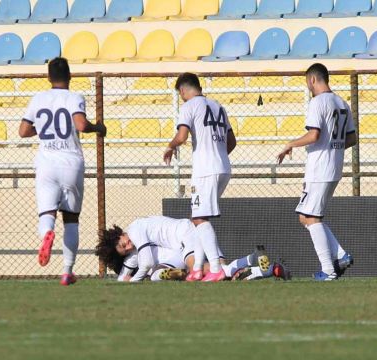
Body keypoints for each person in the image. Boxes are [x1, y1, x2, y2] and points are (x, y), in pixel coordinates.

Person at [19, 57, 106, 286]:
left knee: (47, 214)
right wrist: (98, 127)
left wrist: (46, 131)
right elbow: (81, 125)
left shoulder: (38, 98)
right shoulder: (74, 97)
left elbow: (23, 130)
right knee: (71, 219)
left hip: (46, 163)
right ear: (70, 76)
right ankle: (67, 271)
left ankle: (46, 234)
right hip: (70, 162)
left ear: (48, 77)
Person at [276, 63, 356, 281]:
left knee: (311, 218)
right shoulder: (341, 102)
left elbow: (313, 135)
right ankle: (340, 256)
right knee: (306, 216)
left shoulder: (317, 102)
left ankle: (329, 270)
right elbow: (352, 138)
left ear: (312, 80)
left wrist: (290, 144)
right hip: (333, 167)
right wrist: (333, 146)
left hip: (320, 168)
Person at [163, 73, 237, 282]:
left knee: (199, 218)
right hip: (223, 167)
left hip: (205, 170)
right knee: (197, 218)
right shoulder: (218, 106)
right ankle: (197, 268)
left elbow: (182, 136)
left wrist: (170, 146)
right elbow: (231, 141)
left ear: (183, 90)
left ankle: (215, 268)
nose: (182, 97)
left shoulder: (189, 107)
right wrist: (218, 155)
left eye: (181, 94)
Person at [97, 216, 288, 282]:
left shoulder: (136, 231)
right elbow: (126, 270)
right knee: (229, 276)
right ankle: (267, 267)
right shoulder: (134, 245)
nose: (128, 246)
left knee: (207, 273)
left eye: (124, 244)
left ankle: (253, 260)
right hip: (190, 233)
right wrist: (124, 278)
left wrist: (135, 280)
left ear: (121, 233)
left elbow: (145, 262)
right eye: (125, 250)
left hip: (185, 238)